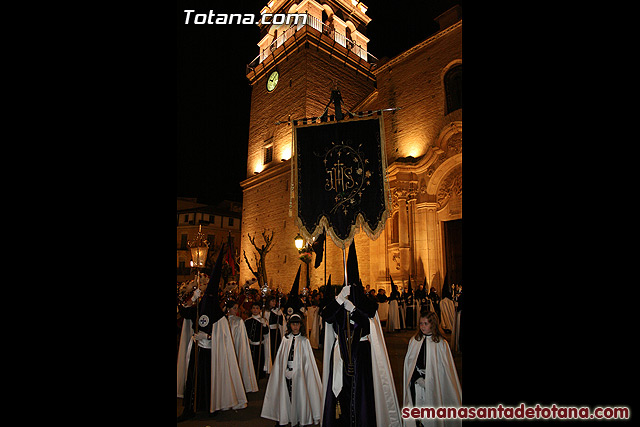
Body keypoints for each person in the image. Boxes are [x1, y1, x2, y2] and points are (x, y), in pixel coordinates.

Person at [321, 240, 402, 427]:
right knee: (342, 392)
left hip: (361, 355)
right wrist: (339, 299)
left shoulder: (367, 303)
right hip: (341, 355)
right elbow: (327, 316)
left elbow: (369, 322)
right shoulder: (340, 302)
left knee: (362, 392)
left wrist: (355, 310)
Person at [177, 246, 248, 422]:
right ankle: (190, 408)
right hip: (196, 350)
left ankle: (211, 405)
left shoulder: (217, 314)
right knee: (193, 380)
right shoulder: (198, 307)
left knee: (210, 380)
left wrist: (208, 338)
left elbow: (223, 338)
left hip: (210, 352)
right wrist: (191, 300)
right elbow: (185, 315)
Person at [261, 310, 323, 426]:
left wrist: (298, 370)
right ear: (290, 325)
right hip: (286, 373)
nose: (295, 327)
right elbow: (281, 359)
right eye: (293, 324)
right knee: (285, 394)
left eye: (297, 324)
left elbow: (308, 362)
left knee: (299, 395)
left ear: (301, 325)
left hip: (300, 374)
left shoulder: (305, 341)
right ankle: (285, 415)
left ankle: (299, 416)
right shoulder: (285, 340)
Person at [402, 311, 461, 427]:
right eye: (420, 324)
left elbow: (445, 370)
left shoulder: (440, 343)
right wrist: (417, 378)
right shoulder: (414, 341)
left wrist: (430, 379)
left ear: (432, 325)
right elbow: (409, 364)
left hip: (434, 383)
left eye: (425, 324)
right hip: (417, 382)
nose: (422, 326)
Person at [226, 299, 259, 393]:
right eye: (234, 308)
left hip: (236, 345)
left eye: (237, 308)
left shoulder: (239, 321)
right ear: (228, 309)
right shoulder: (224, 320)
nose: (236, 310)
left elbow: (241, 337)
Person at [245, 301, 271, 379]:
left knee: (258, 361)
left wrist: (264, 325)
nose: (255, 310)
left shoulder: (263, 320)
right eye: (253, 308)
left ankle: (259, 376)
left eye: (257, 308)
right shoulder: (248, 321)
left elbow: (266, 332)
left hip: (259, 346)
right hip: (250, 345)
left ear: (260, 310)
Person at [264, 295, 285, 363]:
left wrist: (279, 315)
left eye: (275, 301)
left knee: (276, 348)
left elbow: (282, 322)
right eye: (272, 301)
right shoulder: (265, 311)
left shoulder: (277, 310)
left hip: (276, 332)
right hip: (269, 332)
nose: (274, 302)